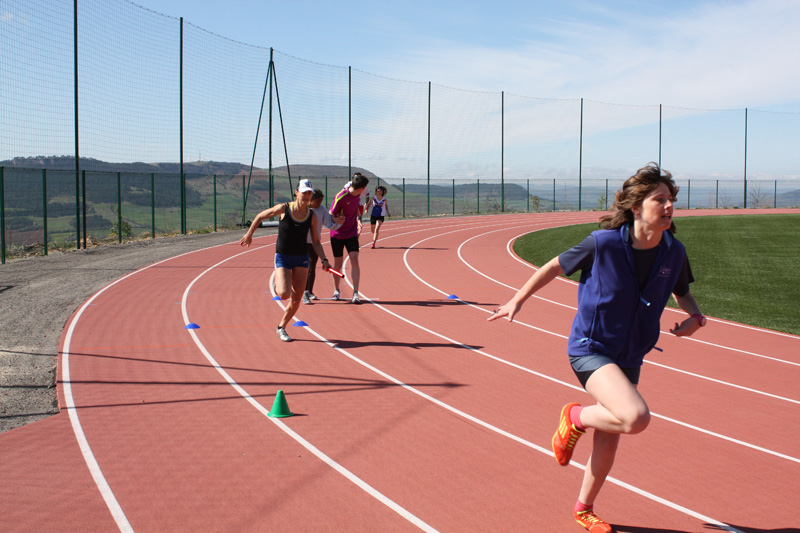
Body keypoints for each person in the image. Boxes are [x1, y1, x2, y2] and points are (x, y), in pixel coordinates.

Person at [488, 163, 706, 533]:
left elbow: (681, 291)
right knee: (635, 417)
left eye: (671, 200)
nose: (668, 207)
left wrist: (696, 318)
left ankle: (583, 508)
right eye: (660, 200)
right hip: (591, 347)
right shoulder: (602, 243)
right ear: (637, 207)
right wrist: (517, 300)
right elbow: (554, 267)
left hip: (632, 352)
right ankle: (574, 418)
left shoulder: (674, 251)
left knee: (610, 441)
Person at [240, 179, 332, 342]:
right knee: (283, 294)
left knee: (296, 300)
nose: (306, 196)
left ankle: (281, 327)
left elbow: (316, 242)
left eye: (309, 193)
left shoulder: (311, 216)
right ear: (297, 193)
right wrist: (249, 234)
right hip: (283, 256)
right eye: (304, 192)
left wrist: (324, 259)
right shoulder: (284, 209)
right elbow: (261, 216)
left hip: (302, 258)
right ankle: (279, 283)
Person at [329, 173, 369, 304]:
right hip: (337, 235)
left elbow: (356, 210)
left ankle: (355, 293)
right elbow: (330, 214)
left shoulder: (358, 196)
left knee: (355, 260)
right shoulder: (340, 196)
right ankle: (336, 290)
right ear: (361, 188)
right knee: (338, 264)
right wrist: (336, 219)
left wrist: (358, 220)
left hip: (351, 233)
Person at [303, 189, 344, 304]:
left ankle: (308, 291)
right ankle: (289, 284)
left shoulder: (321, 210)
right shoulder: (303, 209)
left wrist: (340, 224)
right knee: (302, 267)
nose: (319, 203)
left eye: (321, 201)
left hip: (315, 243)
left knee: (311, 267)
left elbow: (329, 224)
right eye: (317, 201)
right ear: (311, 199)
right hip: (301, 242)